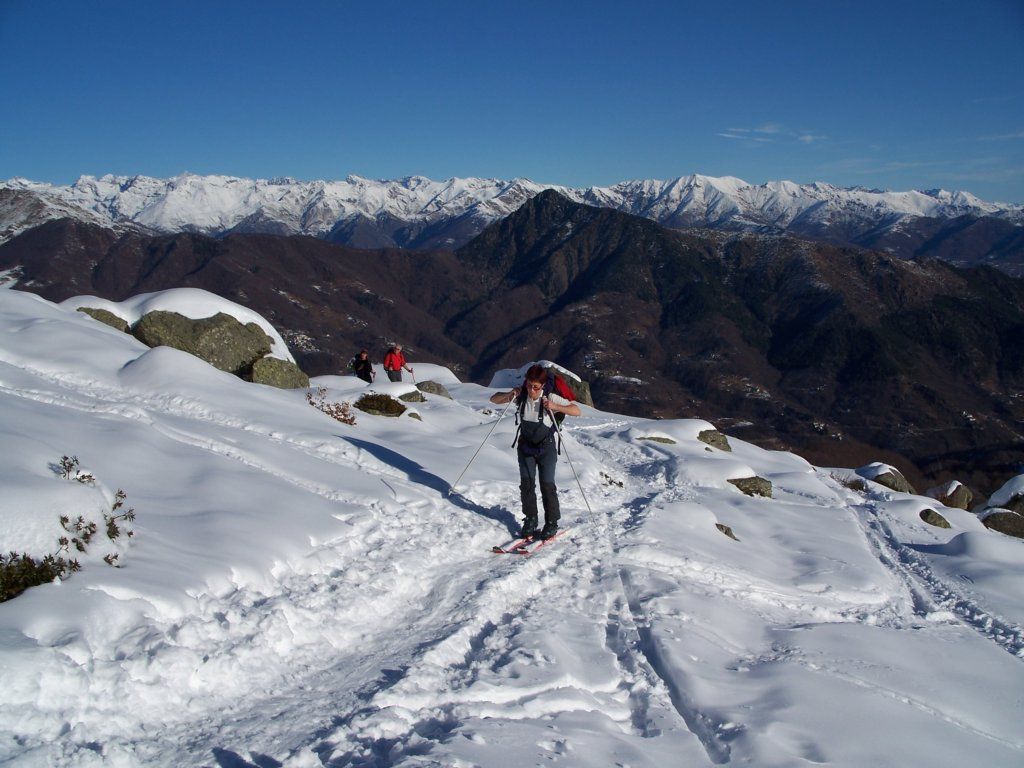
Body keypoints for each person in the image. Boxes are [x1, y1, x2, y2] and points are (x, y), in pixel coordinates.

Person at [490, 364, 580, 540]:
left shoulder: (550, 397)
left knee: (547, 486)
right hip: (525, 447)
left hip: (546, 447)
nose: (532, 390)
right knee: (527, 485)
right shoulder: (522, 394)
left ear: (543, 385)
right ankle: (530, 519)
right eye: (529, 385)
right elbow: (494, 399)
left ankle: (551, 523)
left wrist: (555, 406)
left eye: (536, 387)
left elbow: (576, 410)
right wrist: (511, 395)